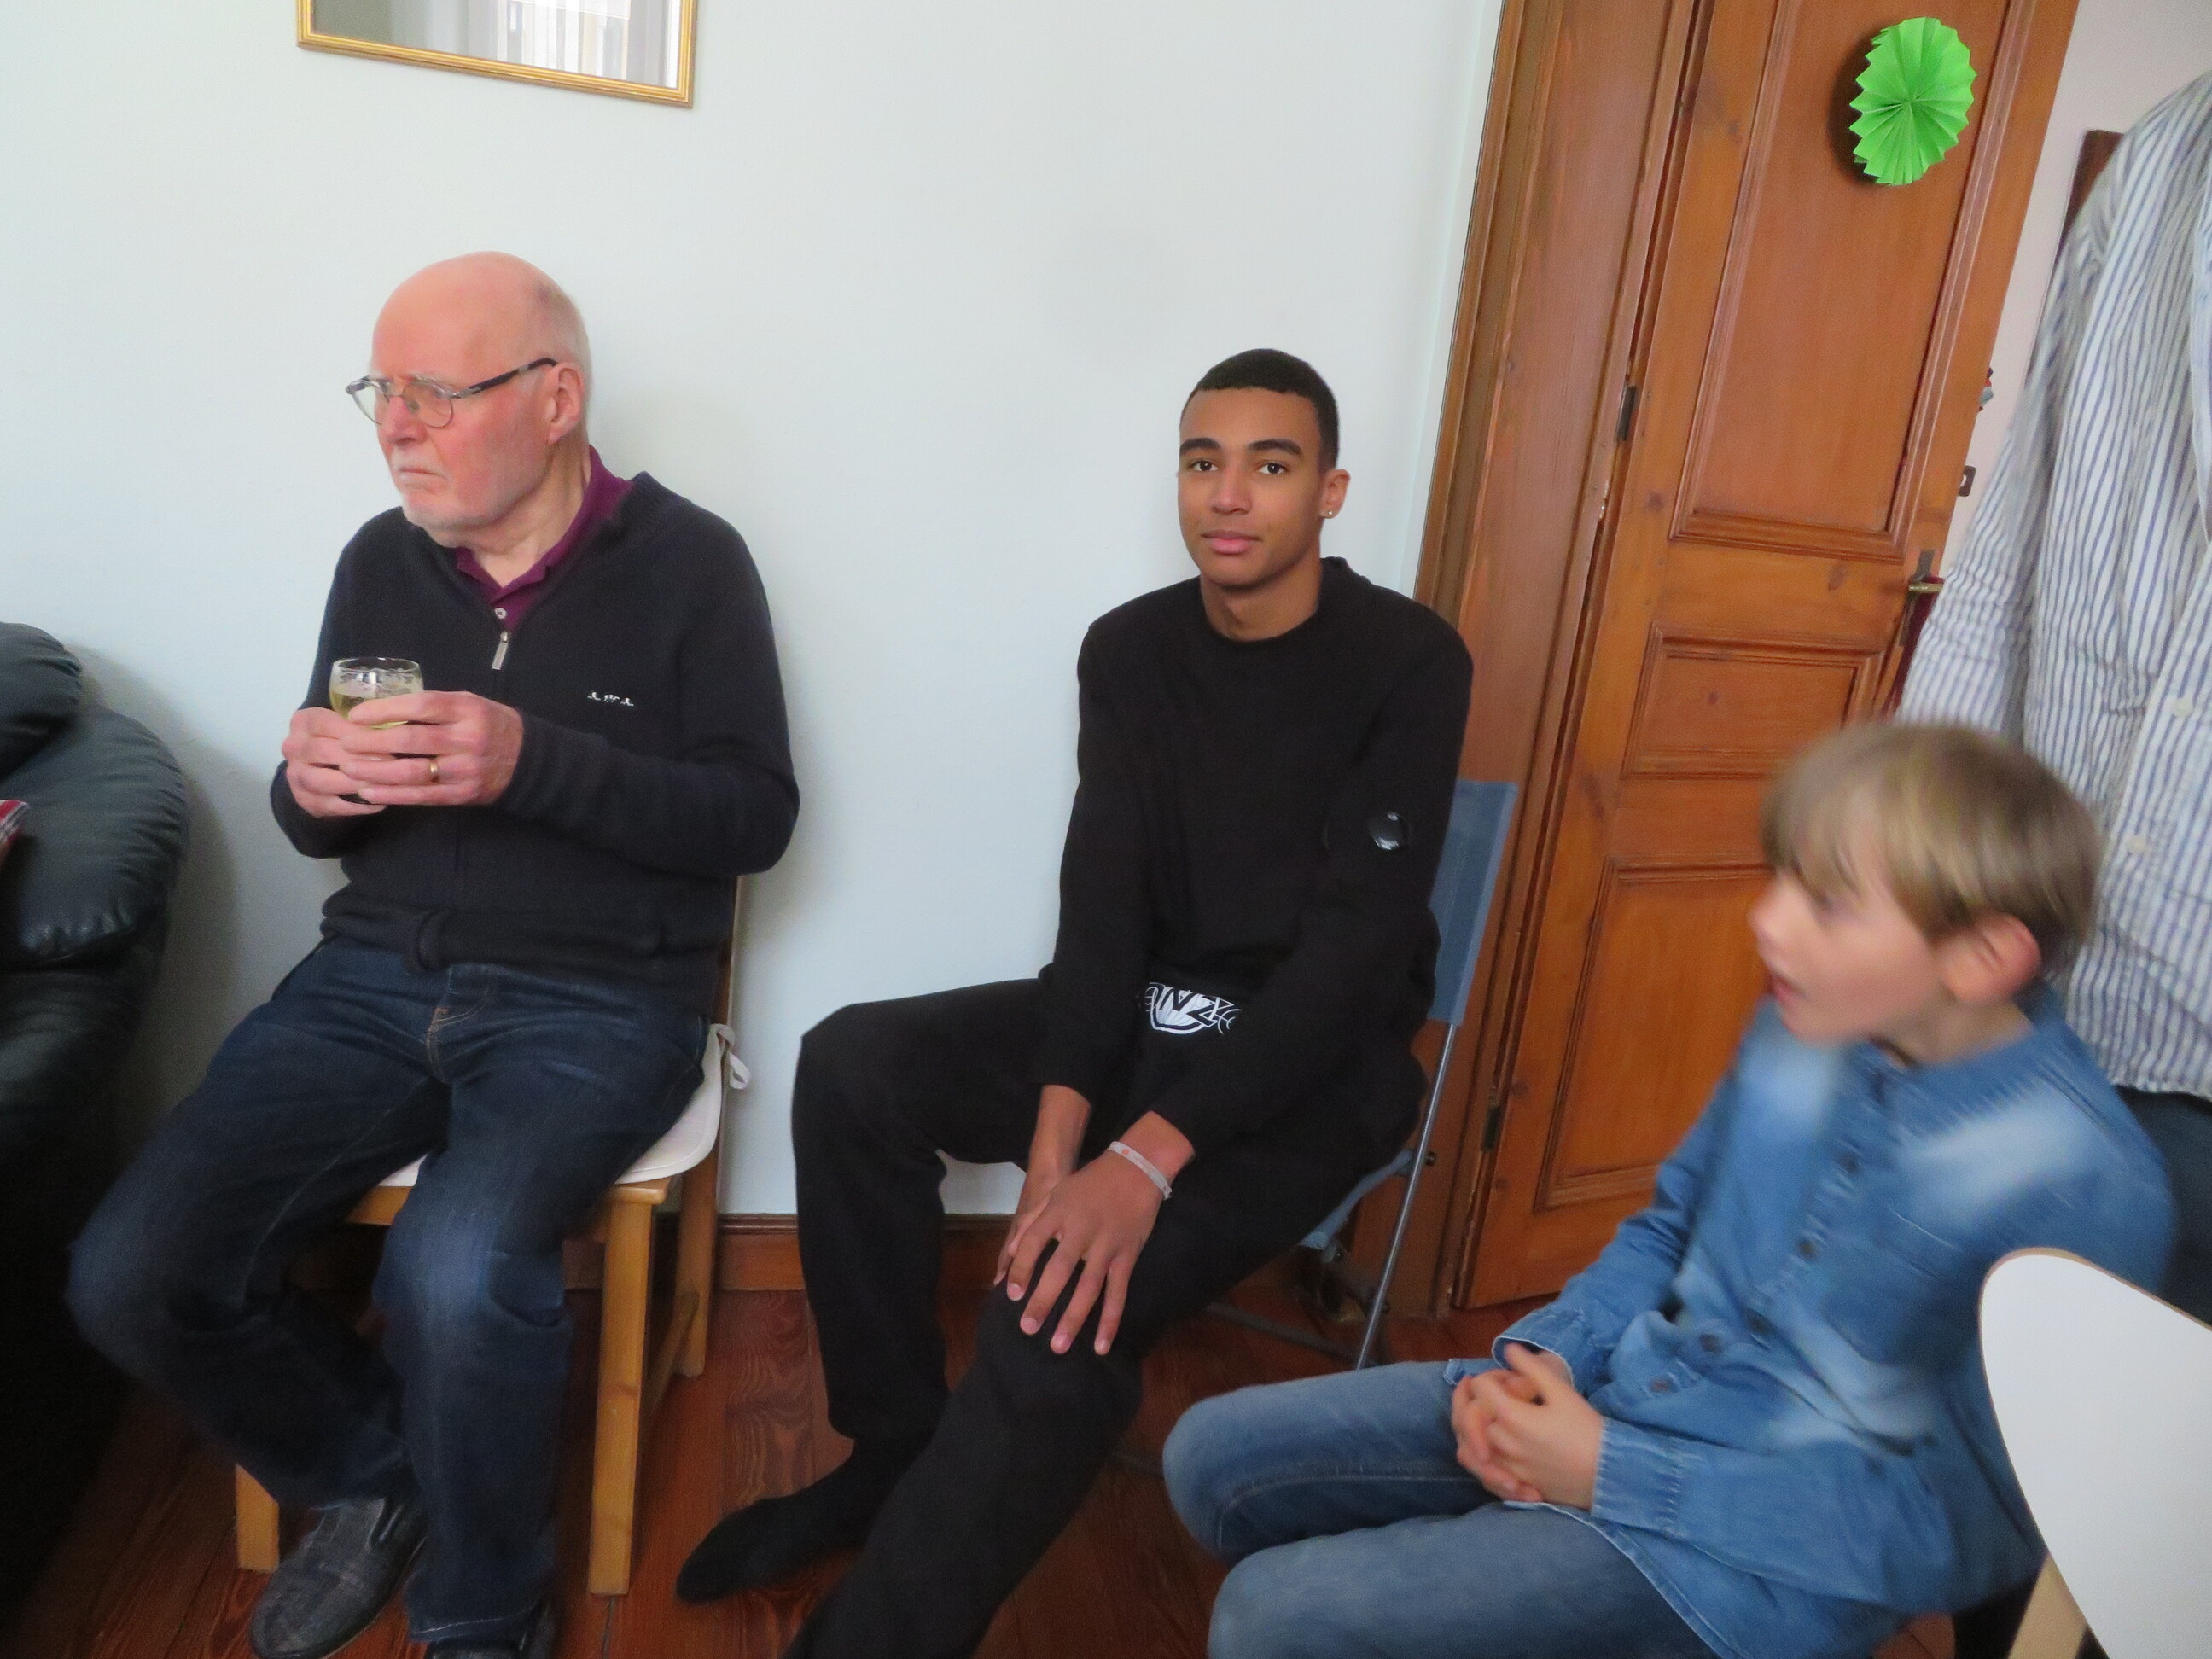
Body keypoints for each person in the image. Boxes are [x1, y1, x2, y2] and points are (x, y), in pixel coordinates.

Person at [675, 348, 1473, 1657]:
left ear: (1330, 492)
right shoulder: (1132, 649)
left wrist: (1139, 1164)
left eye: (1271, 465)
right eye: (1203, 461)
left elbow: (1349, 968)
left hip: (1316, 1065)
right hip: (1143, 1011)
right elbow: (1103, 909)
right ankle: (895, 1456)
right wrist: (1058, 1150)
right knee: (855, 1064)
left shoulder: (1409, 661)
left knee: (1055, 1315)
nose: (1229, 494)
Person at [67, 253, 796, 1659]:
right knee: (131, 1268)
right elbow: (320, 814)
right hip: (371, 980)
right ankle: (382, 1473)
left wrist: (534, 760)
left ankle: (481, 1611)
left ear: (555, 399)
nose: (396, 426)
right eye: (380, 392)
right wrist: (310, 789)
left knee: (459, 1269)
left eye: (434, 393)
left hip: (602, 999)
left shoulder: (693, 564)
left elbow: (754, 818)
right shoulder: (379, 560)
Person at [1162, 723, 2172, 1659]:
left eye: (1827, 904)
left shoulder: (2087, 1186)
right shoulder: (1806, 1023)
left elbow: (1960, 1534)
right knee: (1210, 1460)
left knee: (1270, 1617)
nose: (1767, 921)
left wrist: (1610, 1474)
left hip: (1749, 1571)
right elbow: (1669, 1232)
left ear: (1983, 956)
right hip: (1619, 1401)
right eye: (1781, 877)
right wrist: (1540, 1362)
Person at [1901, 70, 2212, 1334]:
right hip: (2055, 987)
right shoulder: (2166, 158)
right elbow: (2004, 572)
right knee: (1975, 1389)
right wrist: (1912, 883)